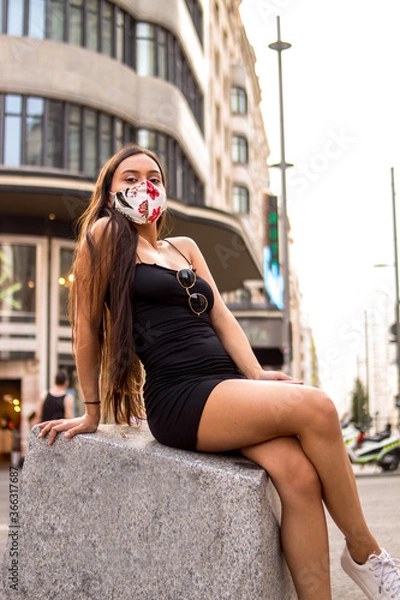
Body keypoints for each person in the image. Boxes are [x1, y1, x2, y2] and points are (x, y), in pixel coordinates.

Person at [37, 144, 400, 600]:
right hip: (181, 394)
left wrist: (256, 375)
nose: (142, 184)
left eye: (152, 176)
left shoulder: (183, 247)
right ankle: (366, 554)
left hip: (226, 386)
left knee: (300, 477)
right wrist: (92, 411)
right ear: (110, 191)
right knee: (318, 406)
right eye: (128, 178)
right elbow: (86, 328)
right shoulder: (107, 234)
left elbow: (222, 315)